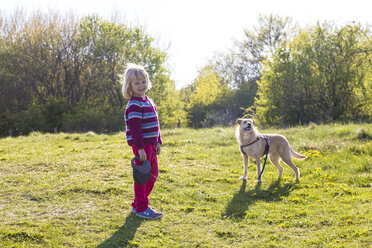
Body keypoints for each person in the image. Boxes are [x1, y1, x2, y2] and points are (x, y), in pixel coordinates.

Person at [121, 63, 163, 220]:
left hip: (151, 145)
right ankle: (142, 208)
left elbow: (156, 124)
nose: (141, 85)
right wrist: (140, 149)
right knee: (142, 177)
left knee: (153, 175)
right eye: (136, 83)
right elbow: (135, 129)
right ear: (130, 86)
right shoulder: (134, 104)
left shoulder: (149, 101)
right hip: (142, 146)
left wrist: (158, 141)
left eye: (143, 81)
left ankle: (137, 204)